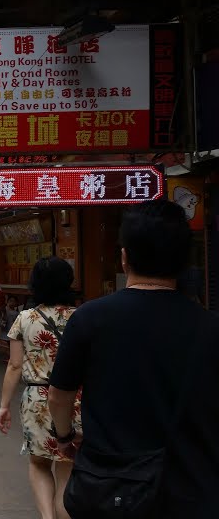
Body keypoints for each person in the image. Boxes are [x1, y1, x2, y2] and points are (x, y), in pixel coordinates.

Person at [48, 200, 219, 518]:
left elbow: (59, 396)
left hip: (112, 490)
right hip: (194, 491)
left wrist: (65, 437)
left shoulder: (90, 319)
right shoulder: (210, 328)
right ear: (184, 262)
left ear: (124, 257)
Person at [0, 257, 80, 519]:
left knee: (39, 463)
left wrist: (4, 406)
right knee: (67, 465)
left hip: (37, 400)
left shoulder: (24, 319)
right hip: (74, 398)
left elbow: (14, 365)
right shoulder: (81, 317)